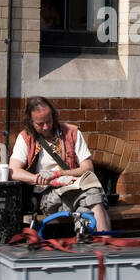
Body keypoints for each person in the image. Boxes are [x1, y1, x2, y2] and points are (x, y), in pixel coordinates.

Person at [8, 96, 110, 232]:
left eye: (48, 121)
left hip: (76, 188)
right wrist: (37, 178)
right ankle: (103, 243)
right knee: (93, 199)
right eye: (40, 124)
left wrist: (60, 174)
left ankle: (89, 240)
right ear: (30, 122)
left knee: (90, 200)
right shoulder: (25, 138)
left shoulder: (71, 132)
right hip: (48, 195)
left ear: (54, 116)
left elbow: (88, 168)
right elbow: (13, 171)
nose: (45, 127)